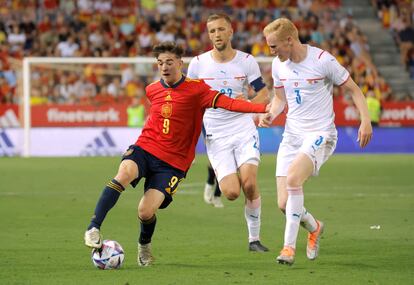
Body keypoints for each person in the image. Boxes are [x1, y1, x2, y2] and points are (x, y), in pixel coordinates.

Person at [83, 41, 269, 266]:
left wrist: (263, 109)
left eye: (169, 62)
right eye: (160, 62)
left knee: (145, 211)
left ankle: (144, 245)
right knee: (123, 173)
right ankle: (93, 227)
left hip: (173, 163)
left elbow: (228, 103)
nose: (164, 67)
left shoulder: (197, 89)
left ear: (180, 63)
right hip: (146, 147)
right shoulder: (152, 89)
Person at [260, 18, 373, 265]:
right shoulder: (279, 66)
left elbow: (354, 89)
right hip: (292, 135)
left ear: (289, 40)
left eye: (273, 46)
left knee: (293, 179)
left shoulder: (323, 61)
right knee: (283, 203)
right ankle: (314, 227)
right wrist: (271, 113)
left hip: (320, 133)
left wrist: (365, 120)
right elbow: (280, 99)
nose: (271, 51)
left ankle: (288, 248)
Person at [187, 13, 270, 252]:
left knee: (250, 184)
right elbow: (189, 99)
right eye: (212, 31)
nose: (217, 35)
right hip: (216, 133)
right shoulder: (198, 64)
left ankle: (254, 240)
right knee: (232, 192)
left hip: (243, 127)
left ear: (231, 31)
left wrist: (251, 99)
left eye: (221, 29)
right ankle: (224, 172)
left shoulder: (246, 61)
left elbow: (263, 94)